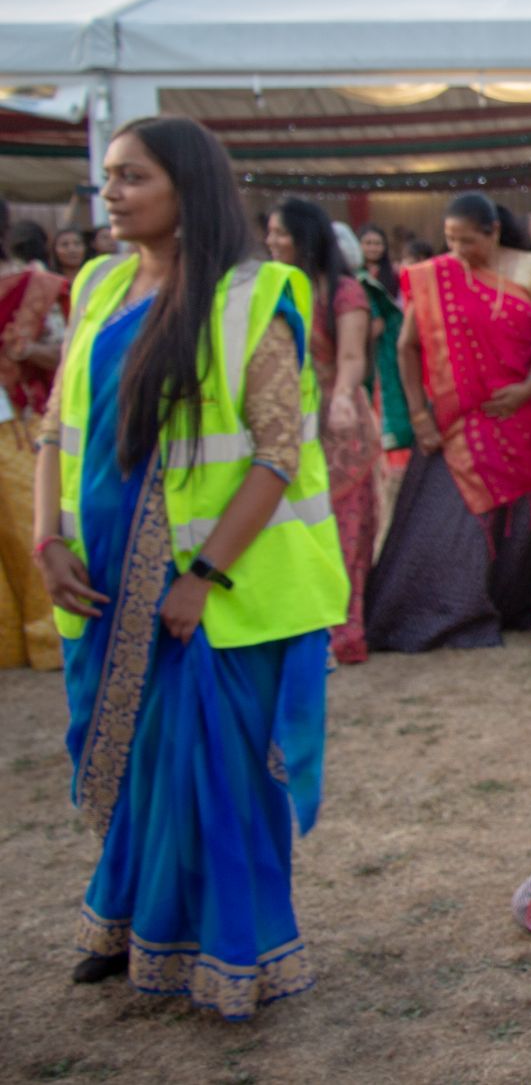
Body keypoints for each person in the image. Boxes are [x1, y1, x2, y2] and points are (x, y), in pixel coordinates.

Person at [33, 115, 345, 1016]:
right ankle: (128, 920)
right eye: (110, 177)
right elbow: (59, 423)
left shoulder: (253, 295)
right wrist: (46, 541)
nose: (112, 193)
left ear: (187, 188)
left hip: (211, 581)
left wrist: (201, 575)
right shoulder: (98, 283)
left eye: (132, 176)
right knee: (134, 755)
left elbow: (277, 452)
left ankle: (237, 949)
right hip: (97, 575)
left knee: (215, 762)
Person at [365, 195, 531, 651]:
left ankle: (509, 605)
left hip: (516, 420)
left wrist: (530, 385)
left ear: (492, 232)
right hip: (456, 425)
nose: (457, 250)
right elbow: (407, 347)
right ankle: (448, 614)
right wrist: (417, 415)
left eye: (466, 240)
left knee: (520, 526)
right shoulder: (438, 279)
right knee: (450, 524)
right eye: (450, 240)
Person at [265, 199, 378, 665]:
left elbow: (352, 356)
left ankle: (342, 629)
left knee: (343, 524)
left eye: (281, 234)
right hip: (280, 418)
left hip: (336, 420)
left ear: (305, 237)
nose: (271, 242)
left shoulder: (342, 291)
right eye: (269, 233)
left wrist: (344, 399)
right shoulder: (269, 287)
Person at [0, 203, 68, 671]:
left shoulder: (36, 288)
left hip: (19, 421)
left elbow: (67, 352)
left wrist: (29, 351)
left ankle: (47, 639)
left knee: (27, 527)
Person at [356, 224, 412, 457]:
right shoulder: (354, 276)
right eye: (368, 243)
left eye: (377, 243)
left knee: (393, 391)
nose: (373, 248)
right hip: (364, 346)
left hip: (390, 343)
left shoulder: (395, 274)